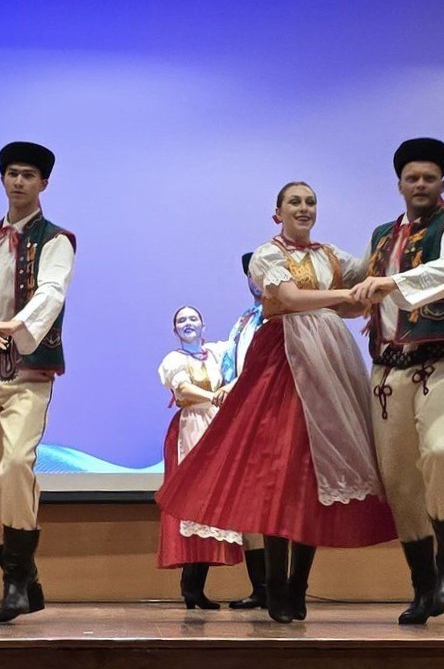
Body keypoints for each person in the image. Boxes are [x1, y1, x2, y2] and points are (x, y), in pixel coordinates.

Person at [156, 182, 397, 624]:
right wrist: (346, 296)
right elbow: (287, 298)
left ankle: (298, 584)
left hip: (328, 363)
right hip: (283, 359)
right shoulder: (268, 255)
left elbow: (365, 275)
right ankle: (276, 585)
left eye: (310, 202)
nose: (304, 208)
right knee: (277, 470)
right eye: (294, 202)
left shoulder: (330, 255)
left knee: (314, 472)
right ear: (278, 212)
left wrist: (385, 241)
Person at [350, 138, 444, 624]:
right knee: (399, 478)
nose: (420, 184)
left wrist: (392, 283)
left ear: (442, 182)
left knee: (440, 450)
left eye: (429, 177)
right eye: (412, 178)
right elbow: (356, 282)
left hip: (437, 361)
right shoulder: (383, 235)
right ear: (400, 185)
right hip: (387, 369)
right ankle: (424, 588)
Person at [0, 141, 75, 624]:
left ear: (43, 183)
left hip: (25, 366)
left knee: (15, 464)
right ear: (2, 179)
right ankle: (24, 582)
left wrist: (11, 327)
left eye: (28, 174)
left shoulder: (56, 239)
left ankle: (16, 586)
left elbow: (51, 293)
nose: (19, 181)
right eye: (12, 173)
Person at [155, 306, 243, 608]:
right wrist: (214, 397)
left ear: (203, 326)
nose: (188, 323)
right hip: (191, 428)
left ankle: (195, 586)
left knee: (213, 504)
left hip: (217, 428)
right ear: (175, 330)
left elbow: (242, 363)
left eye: (193, 319)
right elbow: (183, 388)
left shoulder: (218, 353)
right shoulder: (174, 359)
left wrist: (227, 389)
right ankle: (190, 586)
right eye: (181, 320)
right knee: (193, 503)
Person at [217, 253, 270, 610]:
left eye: (262, 272)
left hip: (269, 413)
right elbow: (232, 362)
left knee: (273, 502)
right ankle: (261, 588)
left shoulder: (280, 318)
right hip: (243, 416)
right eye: (251, 273)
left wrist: (236, 386)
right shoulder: (245, 320)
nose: (256, 279)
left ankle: (281, 586)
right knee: (247, 502)